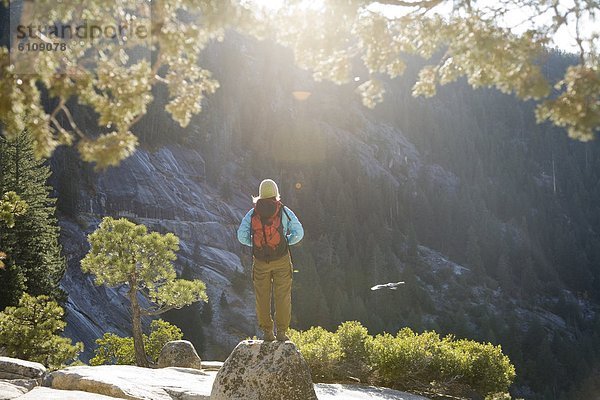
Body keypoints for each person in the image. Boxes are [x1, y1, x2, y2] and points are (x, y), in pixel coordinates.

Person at [237, 179, 304, 341]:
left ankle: (267, 332)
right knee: (283, 296)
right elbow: (299, 232)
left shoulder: (252, 213)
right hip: (281, 258)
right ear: (276, 192)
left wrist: (256, 245)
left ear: (260, 194)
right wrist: (286, 241)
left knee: (262, 297)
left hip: (260, 261)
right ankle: (281, 332)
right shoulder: (284, 211)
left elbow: (241, 236)